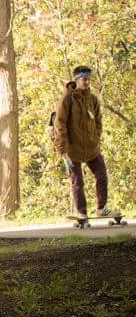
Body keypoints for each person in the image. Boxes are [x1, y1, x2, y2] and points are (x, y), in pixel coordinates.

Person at [54, 65, 117, 220]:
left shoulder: (93, 100)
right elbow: (59, 124)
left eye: (89, 78)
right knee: (77, 182)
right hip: (71, 149)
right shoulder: (67, 99)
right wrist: (62, 148)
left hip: (92, 148)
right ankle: (81, 212)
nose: (87, 81)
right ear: (77, 80)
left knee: (102, 176)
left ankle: (101, 208)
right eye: (84, 78)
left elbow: (98, 122)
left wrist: (96, 138)